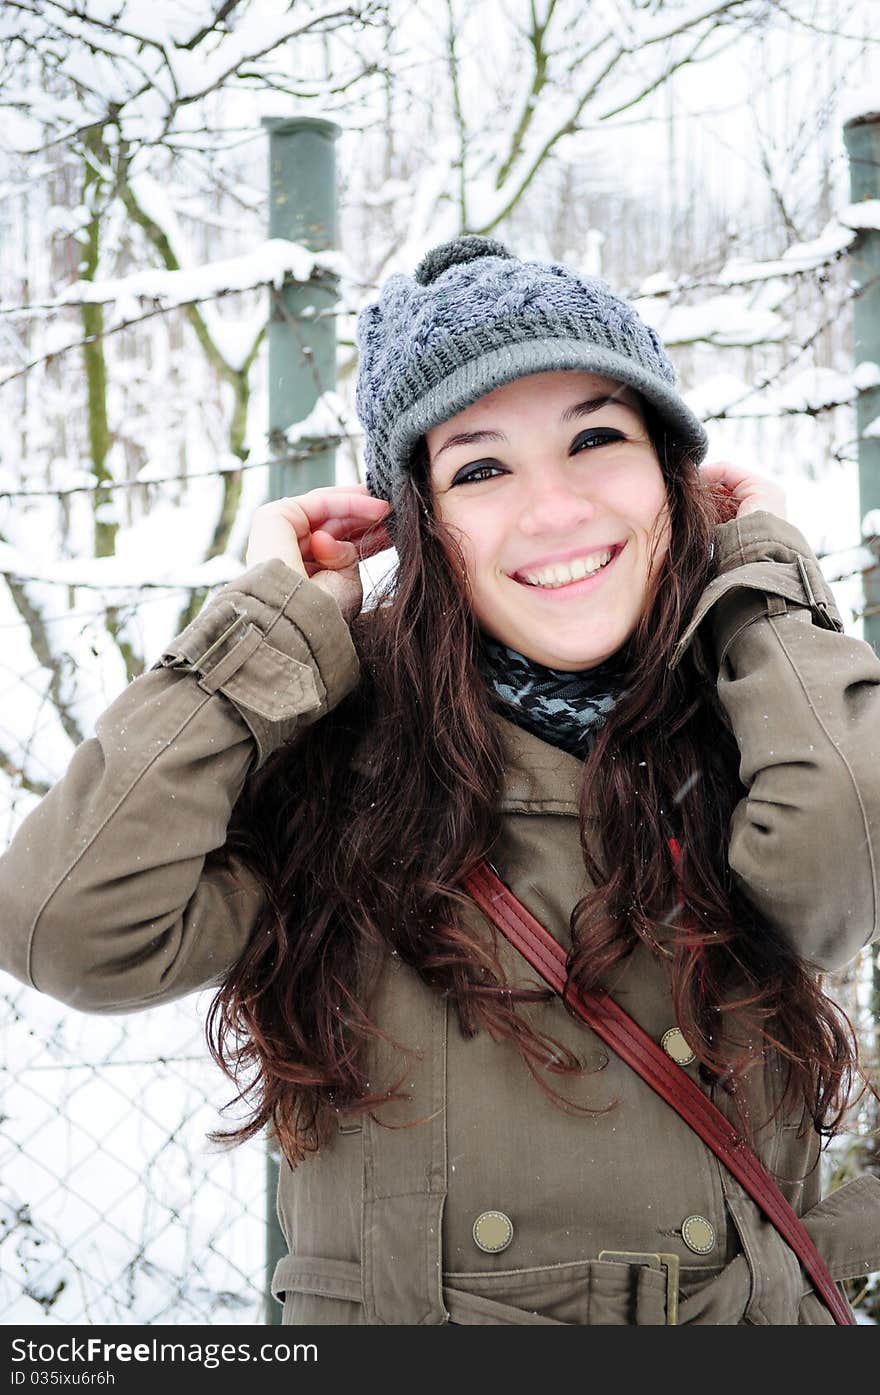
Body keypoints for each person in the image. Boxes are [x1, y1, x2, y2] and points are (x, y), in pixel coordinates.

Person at [2, 235, 880, 1326]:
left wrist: (759, 590)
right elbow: (65, 928)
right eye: (479, 466)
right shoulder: (336, 756)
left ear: (673, 472)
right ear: (418, 523)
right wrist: (268, 634)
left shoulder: (750, 714)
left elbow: (831, 870)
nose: (553, 510)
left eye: (596, 438)